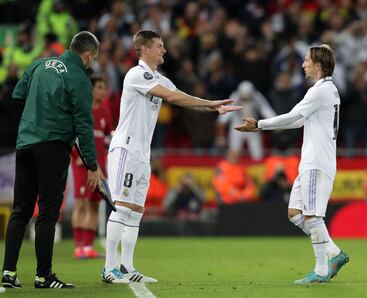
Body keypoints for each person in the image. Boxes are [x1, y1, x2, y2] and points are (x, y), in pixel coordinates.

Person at [102, 30, 241, 284]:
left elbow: (182, 100)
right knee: (122, 208)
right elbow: (170, 96)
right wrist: (210, 102)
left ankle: (127, 266)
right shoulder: (137, 74)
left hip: (143, 152)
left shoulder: (159, 79)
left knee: (135, 211)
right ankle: (109, 268)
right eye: (159, 46)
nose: (164, 50)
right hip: (126, 148)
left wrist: (213, 107)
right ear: (144, 49)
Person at [235, 44, 349, 284]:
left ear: (318, 65)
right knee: (295, 213)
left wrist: (259, 125)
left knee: (312, 217)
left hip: (317, 162)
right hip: (311, 160)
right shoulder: (325, 90)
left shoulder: (320, 91)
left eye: (306, 60)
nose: (302, 64)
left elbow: (294, 117)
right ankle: (334, 253)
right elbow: (299, 122)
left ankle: (320, 271)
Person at [1, 31, 101, 289]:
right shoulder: (79, 78)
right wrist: (92, 164)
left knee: (20, 210)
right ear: (87, 55)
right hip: (52, 147)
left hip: (25, 144)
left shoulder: (38, 64)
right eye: (91, 60)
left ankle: (9, 273)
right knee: (47, 211)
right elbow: (83, 125)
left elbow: (17, 94)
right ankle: (43, 276)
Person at [71, 75, 113, 259]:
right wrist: (76, 157)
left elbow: (107, 141)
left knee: (95, 205)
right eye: (100, 87)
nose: (103, 91)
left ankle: (88, 246)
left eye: (104, 87)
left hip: (99, 168)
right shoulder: (81, 110)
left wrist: (105, 163)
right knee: (81, 204)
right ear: (91, 89)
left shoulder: (105, 113)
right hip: (82, 165)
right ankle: (78, 246)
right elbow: (70, 136)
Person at [216, 81, 276, 160]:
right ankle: (233, 170)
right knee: (234, 151)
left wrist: (275, 122)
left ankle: (257, 168)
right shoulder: (235, 97)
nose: (246, 101)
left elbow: (266, 110)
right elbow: (224, 117)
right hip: (237, 125)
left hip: (252, 125)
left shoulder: (257, 96)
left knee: (257, 154)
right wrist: (220, 136)